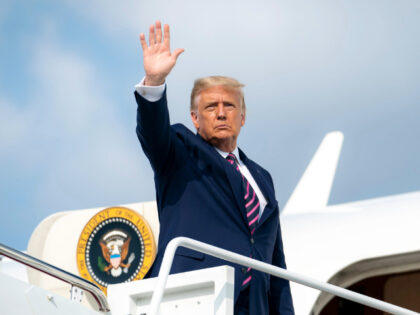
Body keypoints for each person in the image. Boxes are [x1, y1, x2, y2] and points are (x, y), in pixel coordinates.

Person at [134, 20, 294, 315]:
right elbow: (153, 133)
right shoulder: (180, 149)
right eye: (210, 107)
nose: (221, 113)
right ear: (195, 118)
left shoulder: (262, 178)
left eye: (229, 106)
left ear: (242, 117)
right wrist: (154, 82)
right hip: (196, 297)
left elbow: (276, 263)